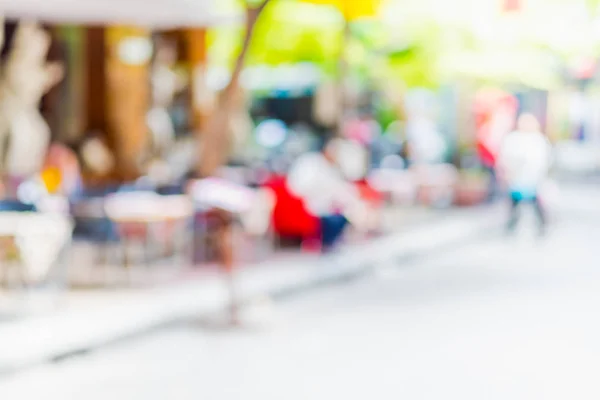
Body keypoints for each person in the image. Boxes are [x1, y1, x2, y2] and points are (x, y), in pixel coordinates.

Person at [286, 138, 371, 252]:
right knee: (334, 219)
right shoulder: (310, 164)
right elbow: (301, 187)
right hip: (309, 203)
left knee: (349, 213)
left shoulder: (331, 167)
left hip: (327, 205)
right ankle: (325, 244)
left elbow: (338, 188)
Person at [497, 113, 552, 234]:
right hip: (516, 179)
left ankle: (542, 227)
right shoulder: (513, 139)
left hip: (533, 179)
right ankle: (510, 226)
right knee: (514, 204)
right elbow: (505, 158)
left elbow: (543, 161)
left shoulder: (538, 140)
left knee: (536, 204)